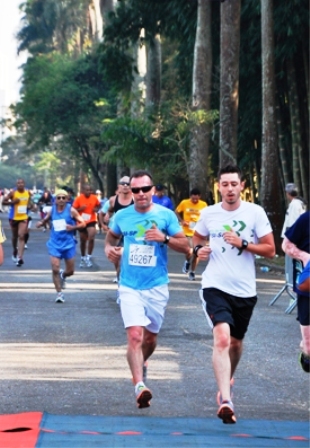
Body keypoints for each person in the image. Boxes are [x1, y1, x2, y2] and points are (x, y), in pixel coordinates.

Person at [192, 164, 275, 424]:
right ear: (218, 187)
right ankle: (226, 400)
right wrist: (198, 251)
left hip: (245, 290)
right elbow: (196, 238)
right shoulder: (208, 213)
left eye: (234, 184)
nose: (229, 189)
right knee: (222, 339)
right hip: (214, 286)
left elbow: (271, 250)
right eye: (225, 184)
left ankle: (227, 379)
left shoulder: (255, 212)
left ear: (242, 186)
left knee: (236, 344)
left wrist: (244, 243)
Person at [105, 169, 190, 409]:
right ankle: (139, 386)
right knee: (134, 335)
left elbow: (185, 246)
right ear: (130, 192)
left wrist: (163, 238)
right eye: (136, 190)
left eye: (145, 189)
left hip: (156, 285)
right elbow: (110, 238)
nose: (140, 194)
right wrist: (109, 251)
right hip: (130, 284)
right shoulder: (122, 216)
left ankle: (142, 363)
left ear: (152, 190)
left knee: (150, 338)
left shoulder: (166, 216)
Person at [36, 189, 85, 303]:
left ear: (67, 199)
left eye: (64, 198)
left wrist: (73, 228)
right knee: (55, 268)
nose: (61, 200)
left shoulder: (71, 210)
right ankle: (59, 293)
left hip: (68, 243)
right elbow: (46, 219)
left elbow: (83, 223)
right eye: (59, 198)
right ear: (55, 200)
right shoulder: (52, 210)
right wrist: (41, 223)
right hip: (55, 243)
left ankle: (64, 275)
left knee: (70, 271)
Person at [282, 211, 310, 373]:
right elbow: (286, 244)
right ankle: (306, 351)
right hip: (307, 290)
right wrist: (304, 257)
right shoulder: (306, 219)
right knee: (309, 353)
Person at [103, 177, 134, 282]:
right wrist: (108, 215)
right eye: (123, 184)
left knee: (131, 261)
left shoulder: (135, 199)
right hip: (118, 233)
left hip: (133, 233)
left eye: (128, 184)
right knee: (119, 262)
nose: (125, 186)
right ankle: (120, 285)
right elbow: (110, 210)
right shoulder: (113, 200)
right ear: (119, 186)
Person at [281, 183, 306, 304]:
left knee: (292, 269)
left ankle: (293, 295)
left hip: (292, 242)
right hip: (296, 241)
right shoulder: (299, 203)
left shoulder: (295, 205)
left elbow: (292, 224)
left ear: (288, 193)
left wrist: (289, 241)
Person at [175, 188, 207, 280]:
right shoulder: (184, 203)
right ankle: (187, 261)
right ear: (190, 196)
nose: (195, 200)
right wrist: (181, 221)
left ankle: (192, 272)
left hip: (199, 232)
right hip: (187, 231)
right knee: (190, 251)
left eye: (197, 199)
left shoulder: (203, 204)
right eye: (193, 199)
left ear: (199, 197)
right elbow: (176, 212)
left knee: (197, 253)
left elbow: (207, 216)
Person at [3, 178, 33, 267]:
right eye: (18, 183)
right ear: (16, 185)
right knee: (15, 236)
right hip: (13, 217)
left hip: (23, 217)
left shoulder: (28, 193)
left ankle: (20, 258)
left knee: (21, 236)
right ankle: (14, 250)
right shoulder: (13, 193)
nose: (20, 184)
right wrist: (13, 202)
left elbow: (30, 203)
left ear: (24, 184)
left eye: (22, 183)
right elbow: (3, 202)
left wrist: (31, 206)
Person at [72, 184, 101, 267]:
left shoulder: (94, 197)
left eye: (90, 190)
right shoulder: (78, 199)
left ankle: (88, 256)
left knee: (91, 236)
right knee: (83, 240)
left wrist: (96, 209)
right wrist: (80, 209)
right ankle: (83, 257)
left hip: (91, 220)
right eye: (87, 190)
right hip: (81, 221)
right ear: (83, 191)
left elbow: (99, 205)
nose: (89, 192)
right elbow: (73, 210)